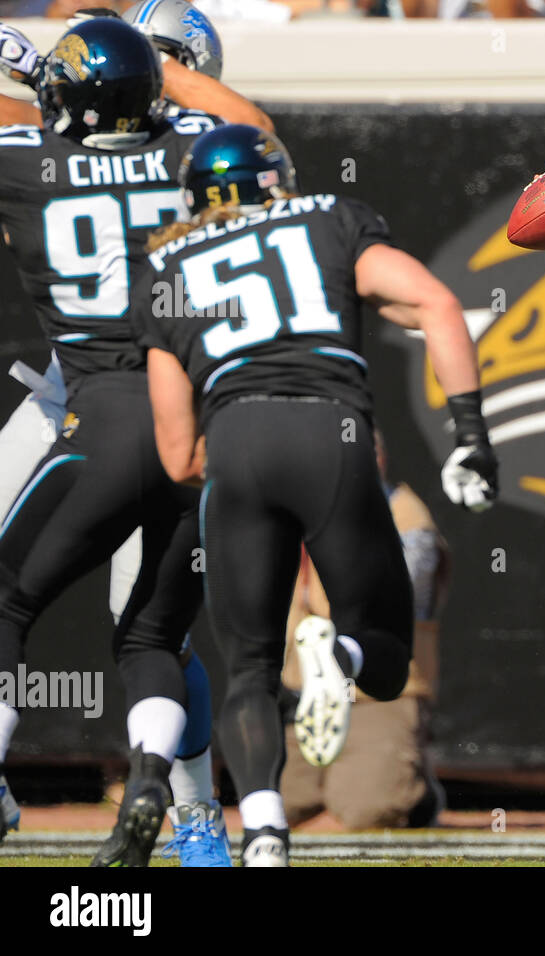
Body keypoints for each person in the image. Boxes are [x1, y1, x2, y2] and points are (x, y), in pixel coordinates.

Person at [135, 124, 497, 865]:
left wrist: (240, 458)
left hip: (233, 439)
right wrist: (471, 436)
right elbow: (436, 303)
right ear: (276, 179)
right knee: (388, 657)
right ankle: (346, 655)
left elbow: (177, 455)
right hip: (331, 435)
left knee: (250, 668)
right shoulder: (329, 216)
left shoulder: (165, 265)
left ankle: (264, 832)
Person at [0, 15, 271, 867]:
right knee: (148, 630)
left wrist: (47, 71)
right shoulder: (198, 146)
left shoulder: (45, 150)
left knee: (119, 618)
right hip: (144, 400)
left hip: (110, 401)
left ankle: (196, 817)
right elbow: (251, 129)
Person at [279, 429, 448, 830]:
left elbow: (391, 601)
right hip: (306, 695)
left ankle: (419, 790)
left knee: (368, 810)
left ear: (379, 459)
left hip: (379, 694)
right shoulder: (296, 516)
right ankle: (334, 781)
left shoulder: (407, 517)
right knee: (279, 806)